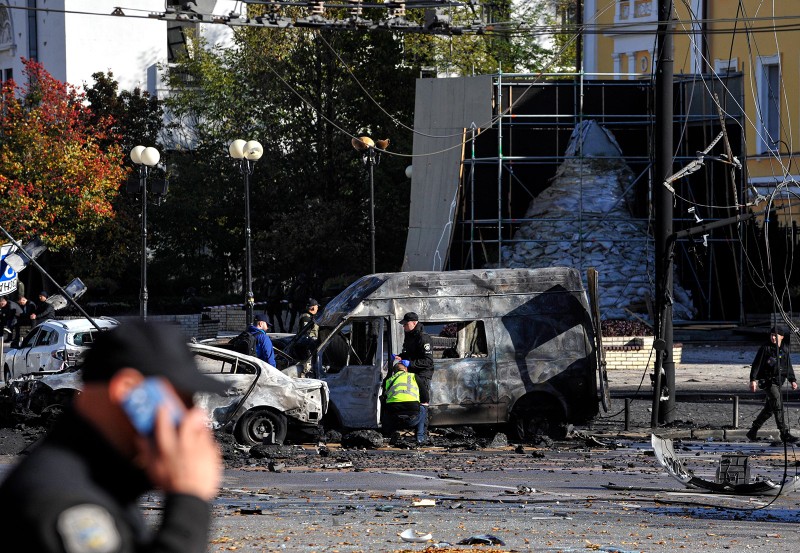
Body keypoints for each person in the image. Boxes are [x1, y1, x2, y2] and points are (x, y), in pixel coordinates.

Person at [0, 320, 225, 552]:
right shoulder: (61, 502)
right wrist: (189, 498)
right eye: (184, 400)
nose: (195, 416)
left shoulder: (96, 475)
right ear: (129, 392)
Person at [747, 326, 799, 443]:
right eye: (771, 335)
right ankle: (784, 433)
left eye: (775, 335)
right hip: (768, 382)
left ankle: (753, 431)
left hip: (779, 382)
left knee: (769, 409)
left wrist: (792, 380)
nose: (773, 337)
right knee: (778, 405)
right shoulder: (765, 348)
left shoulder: (784, 348)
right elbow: (756, 364)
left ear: (781, 337)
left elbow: (788, 365)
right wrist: (753, 380)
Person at [382, 358, 427, 446]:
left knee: (386, 408)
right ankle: (420, 438)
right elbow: (425, 395)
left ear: (394, 372)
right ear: (406, 369)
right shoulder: (414, 376)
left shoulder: (389, 381)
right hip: (412, 419)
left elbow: (384, 398)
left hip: (395, 420)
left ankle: (390, 434)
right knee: (423, 408)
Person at [395, 312, 435, 405]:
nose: (403, 326)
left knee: (422, 401)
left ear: (414, 323)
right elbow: (410, 353)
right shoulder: (410, 336)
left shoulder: (423, 338)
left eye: (406, 324)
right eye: (403, 324)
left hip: (422, 374)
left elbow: (428, 361)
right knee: (413, 399)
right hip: (412, 372)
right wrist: (400, 356)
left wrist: (410, 363)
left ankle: (423, 418)